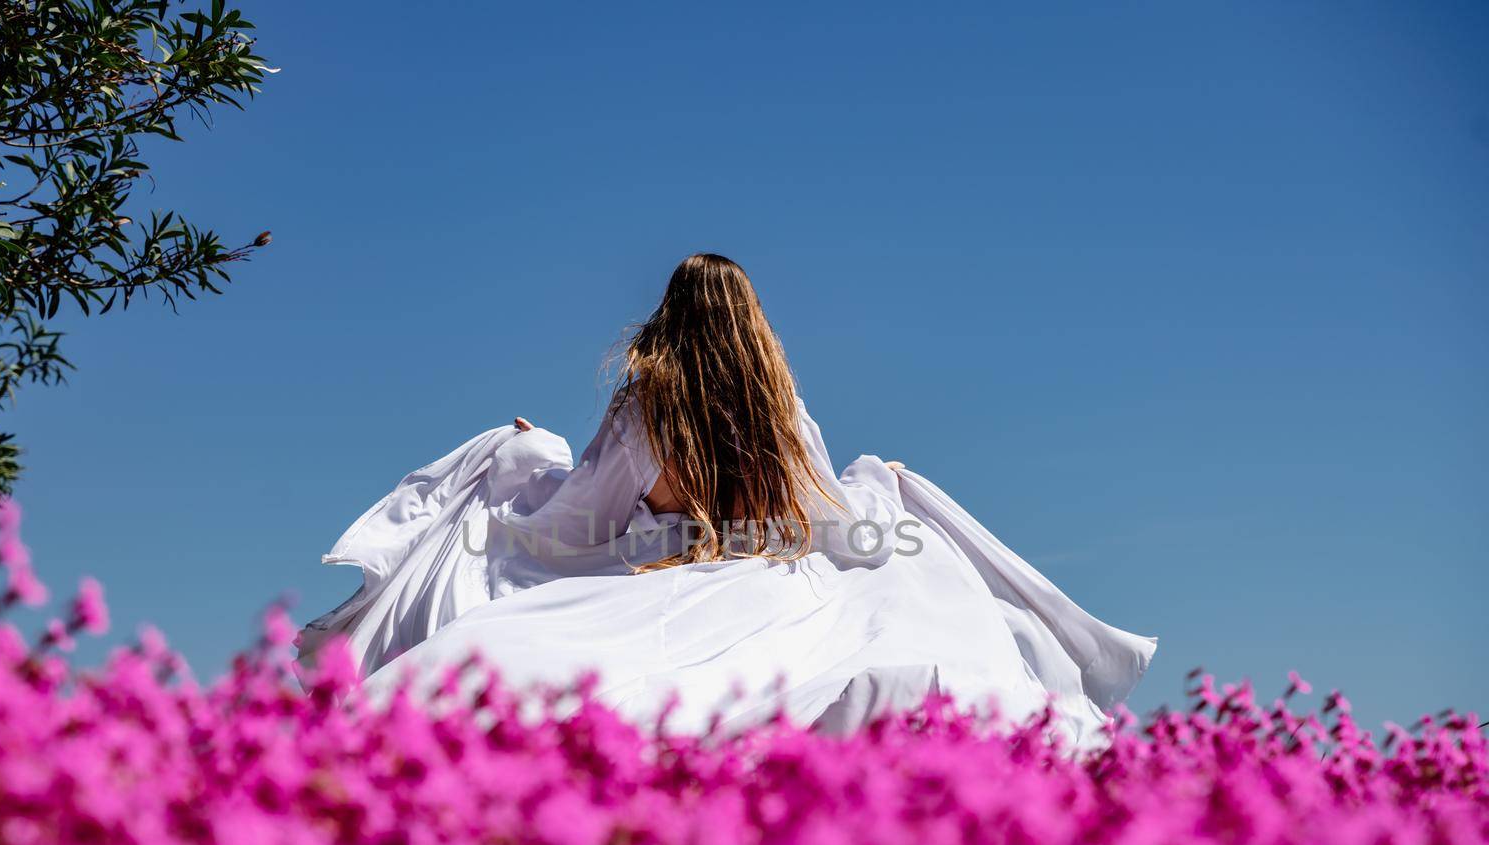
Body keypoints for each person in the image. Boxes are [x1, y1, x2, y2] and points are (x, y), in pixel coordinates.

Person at [297, 254, 1154, 748]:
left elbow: (575, 521)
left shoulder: (646, 403)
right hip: (763, 580)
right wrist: (876, 484)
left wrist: (524, 463)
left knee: (535, 672)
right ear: (752, 323)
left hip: (654, 576)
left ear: (670, 318)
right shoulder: (780, 408)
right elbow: (827, 521)